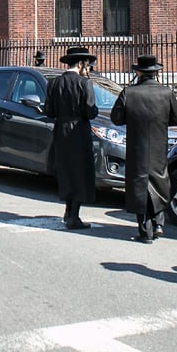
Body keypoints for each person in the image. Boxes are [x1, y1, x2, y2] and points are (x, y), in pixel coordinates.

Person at [110, 54, 177, 243]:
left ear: (138, 72)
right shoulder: (166, 93)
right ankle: (159, 222)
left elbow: (116, 118)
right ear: (156, 72)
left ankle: (145, 230)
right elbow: (176, 119)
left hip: (137, 145)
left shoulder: (129, 92)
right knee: (159, 181)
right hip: (159, 144)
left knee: (139, 186)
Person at [46, 46, 99, 229]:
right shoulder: (85, 83)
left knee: (65, 169)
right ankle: (73, 216)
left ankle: (68, 211)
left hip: (61, 129)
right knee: (80, 171)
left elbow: (49, 110)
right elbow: (91, 111)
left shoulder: (54, 83)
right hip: (79, 130)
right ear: (82, 63)